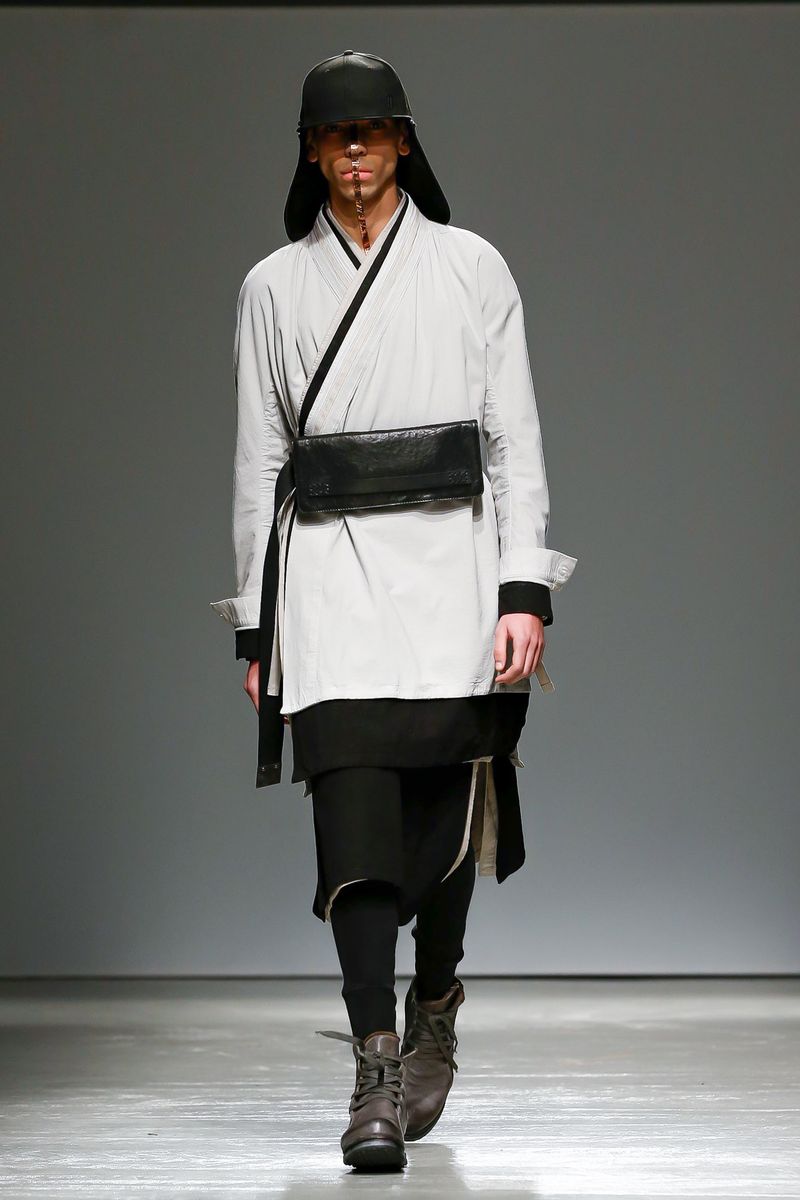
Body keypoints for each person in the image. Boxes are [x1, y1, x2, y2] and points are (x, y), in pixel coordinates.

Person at [210, 50, 578, 1172]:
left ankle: (437, 1002)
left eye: (373, 128)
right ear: (312, 151)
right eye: (337, 132)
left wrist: (524, 589)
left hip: (456, 576)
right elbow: (259, 459)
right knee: (354, 827)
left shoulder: (470, 267)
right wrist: (257, 623)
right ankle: (374, 1069)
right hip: (330, 582)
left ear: (405, 141)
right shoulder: (273, 287)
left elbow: (510, 436)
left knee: (446, 831)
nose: (357, 146)